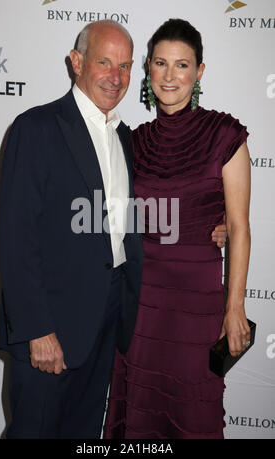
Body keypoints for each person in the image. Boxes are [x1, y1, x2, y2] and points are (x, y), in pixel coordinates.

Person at [0, 19, 226, 439]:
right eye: (104, 62)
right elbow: (15, 238)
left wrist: (213, 221)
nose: (115, 76)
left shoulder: (125, 137)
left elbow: (149, 210)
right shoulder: (37, 128)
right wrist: (37, 330)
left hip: (107, 323)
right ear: (76, 61)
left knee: (84, 434)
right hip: (51, 328)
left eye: (124, 65)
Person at [104, 18, 251, 439]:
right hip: (140, 303)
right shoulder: (132, 141)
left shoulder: (225, 134)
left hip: (196, 305)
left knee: (194, 413)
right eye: (161, 64)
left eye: (182, 65)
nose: (170, 77)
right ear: (148, 69)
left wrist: (234, 306)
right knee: (140, 414)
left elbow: (239, 228)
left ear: (199, 71)